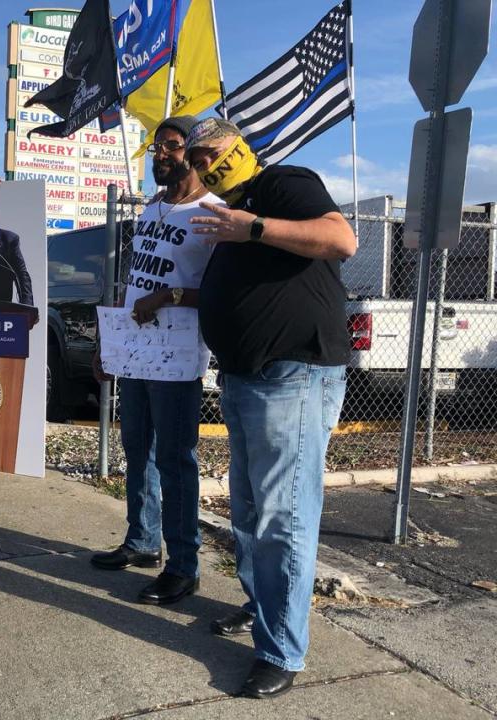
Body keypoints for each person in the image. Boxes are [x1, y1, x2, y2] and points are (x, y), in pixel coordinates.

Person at [186, 117, 356, 699]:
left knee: (282, 517)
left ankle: (281, 648)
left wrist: (252, 226)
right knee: (249, 511)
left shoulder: (283, 183)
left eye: (212, 152)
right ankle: (263, 610)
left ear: (240, 146)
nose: (206, 164)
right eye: (198, 160)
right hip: (244, 378)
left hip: (294, 374)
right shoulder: (231, 211)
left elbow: (342, 239)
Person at [89, 116, 220, 608]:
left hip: (178, 356)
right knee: (136, 449)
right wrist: (111, 346)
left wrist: (172, 295)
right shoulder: (151, 209)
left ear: (195, 152)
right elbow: (134, 285)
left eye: (170, 145)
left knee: (175, 459)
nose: (159, 154)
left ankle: (183, 565)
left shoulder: (214, 212)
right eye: (155, 146)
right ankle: (142, 540)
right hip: (137, 352)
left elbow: (223, 292)